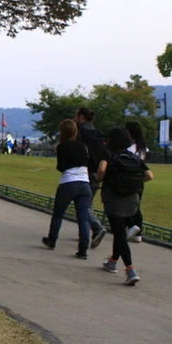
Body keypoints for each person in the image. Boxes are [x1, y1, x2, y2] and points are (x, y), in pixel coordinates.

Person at [97, 126, 152, 286]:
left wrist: (99, 179)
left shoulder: (108, 154)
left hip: (113, 198)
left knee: (119, 234)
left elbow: (101, 170)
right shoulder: (133, 156)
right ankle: (112, 261)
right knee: (119, 233)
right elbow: (149, 175)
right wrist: (133, 183)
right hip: (132, 199)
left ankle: (130, 270)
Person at [42, 119, 94, 258]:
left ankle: (52, 240)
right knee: (83, 218)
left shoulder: (62, 146)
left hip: (68, 182)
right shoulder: (83, 145)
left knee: (58, 214)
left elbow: (61, 167)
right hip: (85, 183)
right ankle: (83, 249)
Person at [74, 107, 108, 249]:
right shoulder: (98, 133)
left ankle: (96, 227)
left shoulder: (79, 132)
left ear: (81, 116)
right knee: (88, 203)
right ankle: (87, 232)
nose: (74, 118)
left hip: (84, 172)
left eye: (76, 115)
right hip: (98, 172)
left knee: (81, 203)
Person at [123, 121, 147, 243]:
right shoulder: (142, 147)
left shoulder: (130, 149)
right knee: (136, 206)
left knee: (125, 205)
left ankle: (131, 226)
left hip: (129, 179)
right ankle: (138, 233)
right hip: (139, 179)